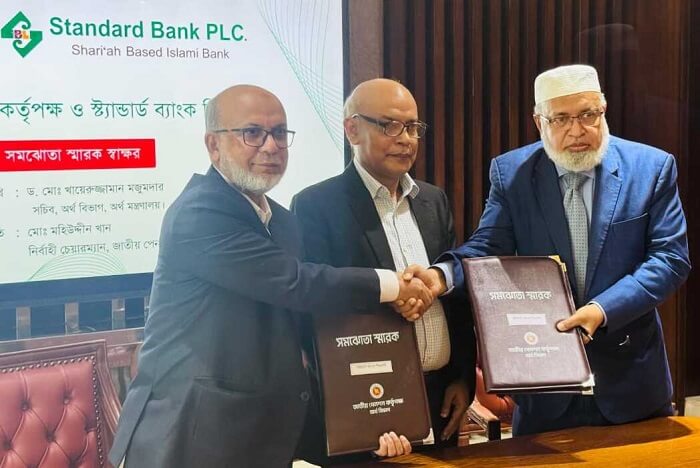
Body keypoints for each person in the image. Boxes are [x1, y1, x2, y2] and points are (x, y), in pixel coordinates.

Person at [108, 84, 435, 468]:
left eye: (279, 133)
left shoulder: (281, 221)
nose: (270, 146)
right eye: (252, 133)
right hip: (190, 434)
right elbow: (295, 283)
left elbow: (311, 324)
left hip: (257, 432)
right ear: (213, 145)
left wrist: (371, 421)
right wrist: (395, 285)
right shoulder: (199, 212)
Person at [406, 64, 691, 436]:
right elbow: (487, 247)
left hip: (631, 381)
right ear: (538, 122)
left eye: (588, 115)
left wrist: (601, 310)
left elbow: (670, 259)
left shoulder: (651, 168)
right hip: (545, 387)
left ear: (603, 109)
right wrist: (440, 276)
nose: (577, 131)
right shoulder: (512, 174)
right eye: (560, 119)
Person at [292, 78, 476, 461]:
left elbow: (454, 296)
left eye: (412, 127)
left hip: (441, 396)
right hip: (370, 400)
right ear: (352, 129)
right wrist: (363, 408)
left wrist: (462, 376)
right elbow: (317, 305)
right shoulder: (317, 206)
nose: (405, 139)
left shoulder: (432, 200)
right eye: (390, 125)